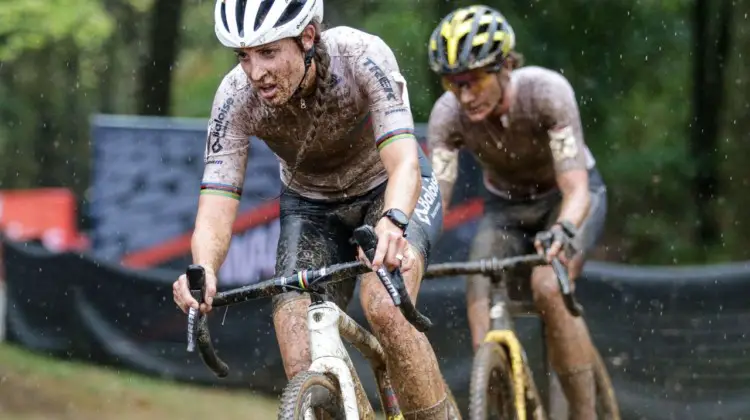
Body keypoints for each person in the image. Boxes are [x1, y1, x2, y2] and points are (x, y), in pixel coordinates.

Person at [172, 0, 459, 418]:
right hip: (310, 207)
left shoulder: (360, 56)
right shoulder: (234, 97)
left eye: (268, 52)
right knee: (294, 331)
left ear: (308, 36)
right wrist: (204, 269)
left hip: (389, 189)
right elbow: (216, 204)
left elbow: (405, 163)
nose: (256, 73)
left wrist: (393, 222)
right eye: (244, 56)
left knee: (383, 304)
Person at [425, 5, 608, 420]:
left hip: (567, 199)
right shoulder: (448, 116)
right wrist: (409, 238)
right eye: (453, 85)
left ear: (506, 65)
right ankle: (497, 394)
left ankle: (585, 413)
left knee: (547, 286)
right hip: (505, 207)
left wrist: (563, 230)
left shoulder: (546, 93)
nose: (464, 96)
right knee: (477, 282)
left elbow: (577, 188)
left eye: (473, 82)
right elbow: (435, 196)